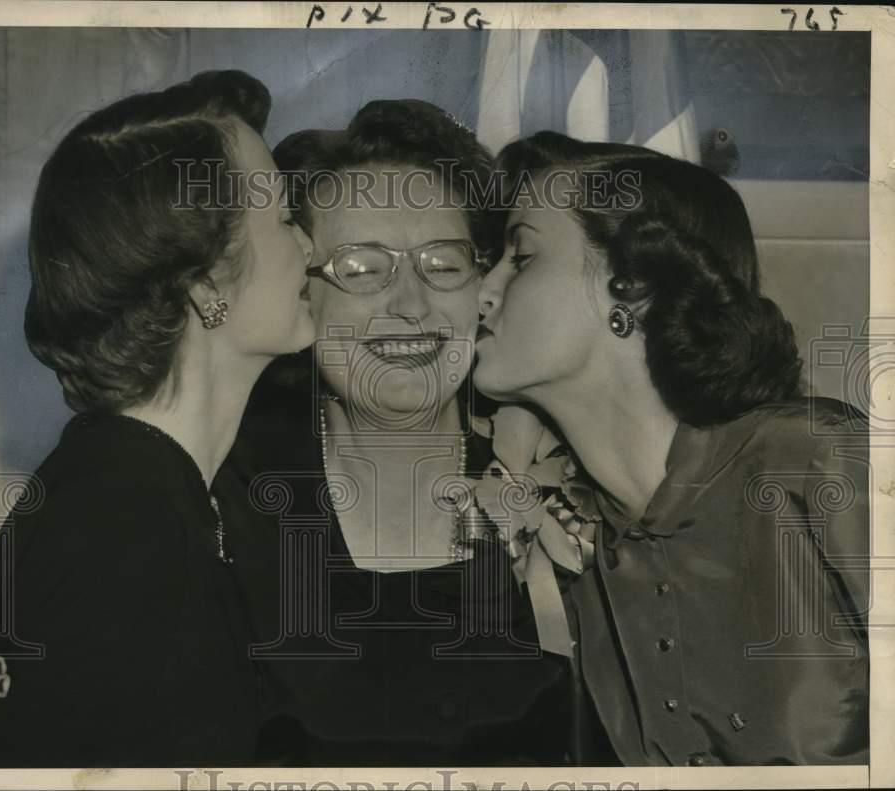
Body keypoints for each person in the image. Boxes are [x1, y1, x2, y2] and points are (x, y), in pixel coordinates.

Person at [210, 101, 610, 765]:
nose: (411, 304)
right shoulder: (225, 490)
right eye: (362, 269)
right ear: (298, 289)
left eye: (443, 263)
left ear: (485, 283)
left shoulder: (572, 499)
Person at [0, 69, 317, 766]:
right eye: (286, 220)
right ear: (205, 281)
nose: (311, 250)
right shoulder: (121, 525)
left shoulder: (155, 494)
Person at [472, 132, 870, 765]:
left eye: (521, 258)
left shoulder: (818, 459)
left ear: (630, 287)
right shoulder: (578, 562)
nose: (481, 292)